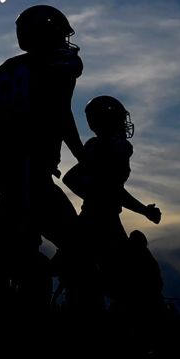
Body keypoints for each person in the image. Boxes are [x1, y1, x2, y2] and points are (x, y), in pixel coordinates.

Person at [0, 5, 86, 305]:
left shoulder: (8, 69)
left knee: (13, 241)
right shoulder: (57, 66)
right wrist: (82, 155)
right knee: (73, 245)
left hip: (9, 166)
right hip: (29, 169)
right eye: (56, 34)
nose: (63, 41)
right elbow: (60, 113)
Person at [63, 96, 162, 308]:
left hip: (103, 219)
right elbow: (72, 179)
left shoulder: (112, 148)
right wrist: (98, 198)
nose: (122, 123)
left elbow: (114, 191)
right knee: (130, 284)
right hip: (99, 223)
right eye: (117, 118)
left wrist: (143, 210)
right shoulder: (101, 147)